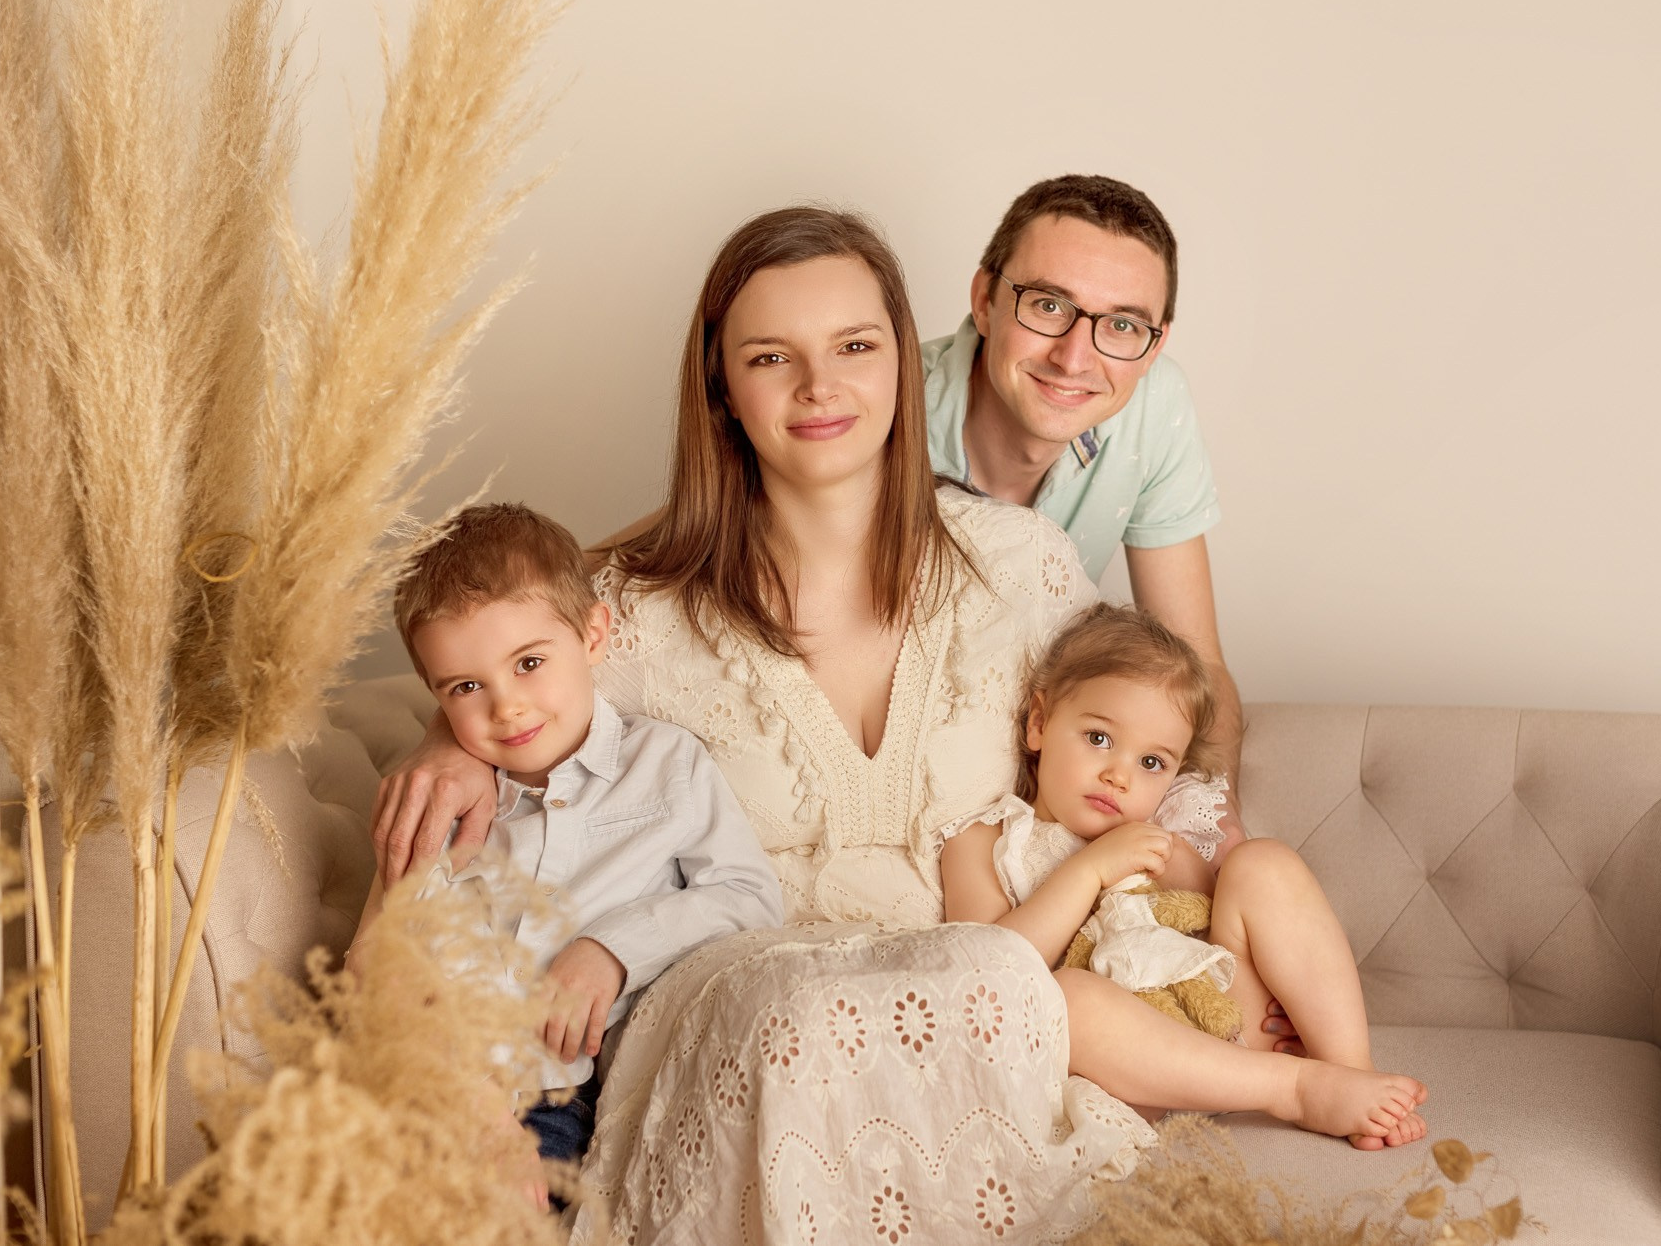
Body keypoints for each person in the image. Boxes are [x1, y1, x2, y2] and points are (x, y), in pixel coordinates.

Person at [372, 206, 1258, 1241]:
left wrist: (1223, 917)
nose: (819, 386)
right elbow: (485, 725)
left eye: (853, 347)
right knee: (803, 1020)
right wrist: (453, 735)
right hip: (734, 1016)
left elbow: (1152, 747)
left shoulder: (1019, 569)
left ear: (904, 360)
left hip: (964, 1011)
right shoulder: (634, 621)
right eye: (769, 357)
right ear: (722, 388)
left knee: (984, 968)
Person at [353, 501, 783, 1207]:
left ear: (592, 635)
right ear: (436, 697)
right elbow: (387, 962)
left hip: (562, 1103)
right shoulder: (451, 801)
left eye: (528, 663)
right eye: (466, 687)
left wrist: (612, 949)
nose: (507, 707)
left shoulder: (665, 765)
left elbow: (749, 897)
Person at [939, 603, 1428, 1150]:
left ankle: (1348, 1073)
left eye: (1152, 763)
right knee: (1070, 998)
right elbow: (991, 972)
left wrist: (1281, 993)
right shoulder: (984, 839)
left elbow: (1220, 931)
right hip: (1122, 1062)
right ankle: (1292, 1087)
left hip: (1217, 1030)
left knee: (1261, 864)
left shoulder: (1157, 838)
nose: (1118, 775)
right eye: (1099, 738)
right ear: (1039, 722)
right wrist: (1091, 869)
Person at [925, 175, 1249, 806]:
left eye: (1123, 325)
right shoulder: (880, 407)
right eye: (1048, 305)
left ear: (1154, 347)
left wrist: (1210, 828)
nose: (1075, 359)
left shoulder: (1155, 406)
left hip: (1056, 774)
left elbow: (1199, 665)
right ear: (985, 300)